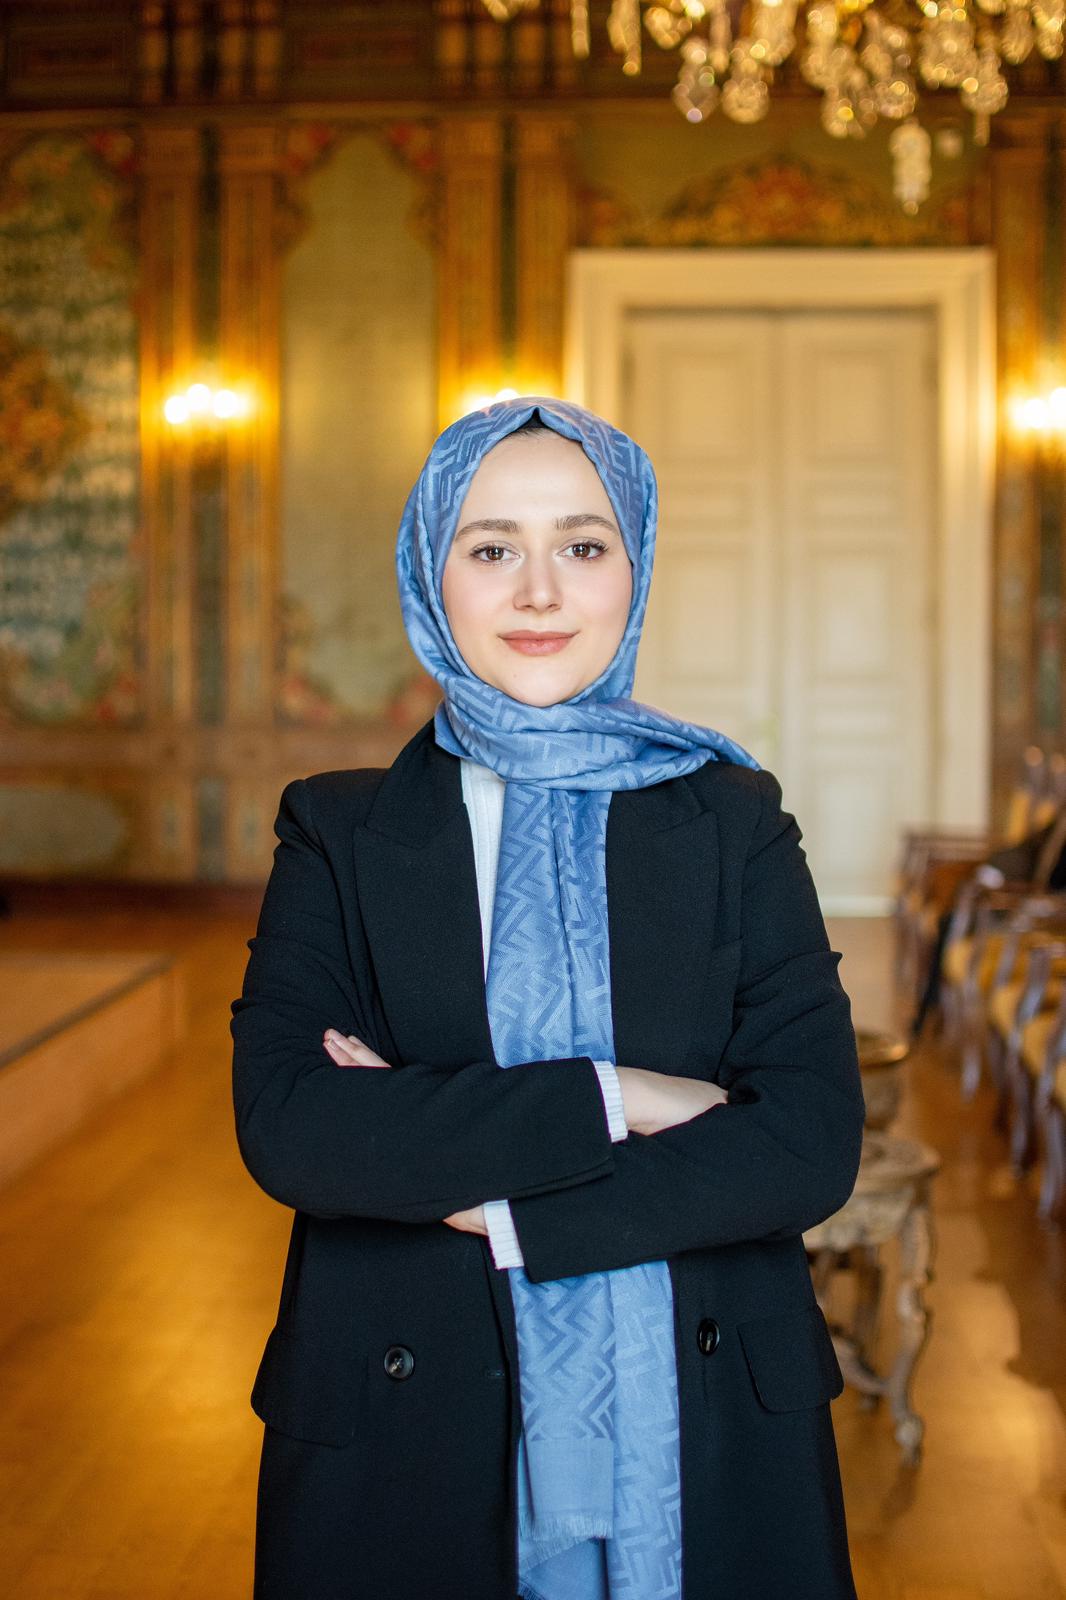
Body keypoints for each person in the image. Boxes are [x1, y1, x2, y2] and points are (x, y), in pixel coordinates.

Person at [231, 396, 866, 1600]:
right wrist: (624, 1095)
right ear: (431, 574)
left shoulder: (733, 820)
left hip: (706, 1426)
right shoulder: (338, 829)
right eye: (490, 548)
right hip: (409, 1434)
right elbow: (298, 1128)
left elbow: (805, 1143)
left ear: (634, 568)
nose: (538, 592)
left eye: (581, 544)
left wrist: (488, 1199)